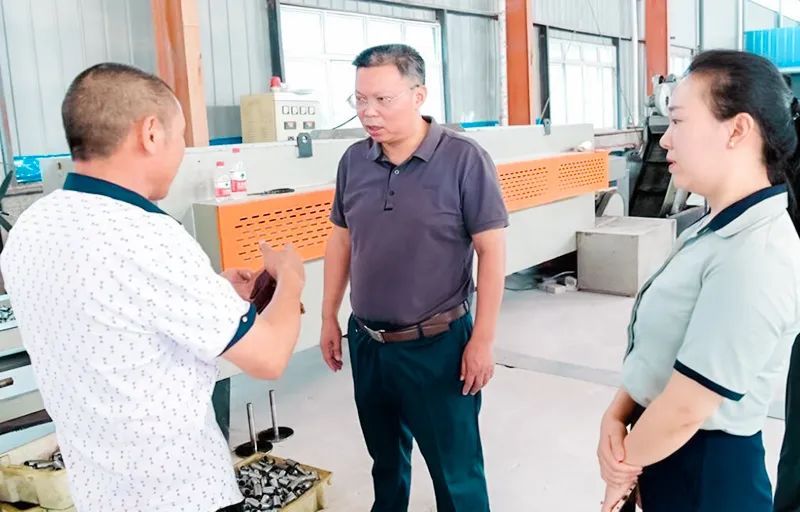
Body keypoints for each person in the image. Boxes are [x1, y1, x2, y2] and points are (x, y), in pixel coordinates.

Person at [0, 63, 306, 512]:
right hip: (180, 494)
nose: (182, 151)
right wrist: (292, 281)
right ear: (150, 133)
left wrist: (211, 292)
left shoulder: (33, 226)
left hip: (99, 493)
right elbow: (269, 356)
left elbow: (112, 314)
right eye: (180, 136)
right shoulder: (147, 237)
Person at [597, 49, 800, 512]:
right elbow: (662, 352)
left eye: (679, 121)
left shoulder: (757, 255)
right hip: (665, 451)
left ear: (738, 130)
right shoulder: (715, 225)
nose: (665, 140)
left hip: (708, 477)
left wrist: (620, 473)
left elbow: (688, 406)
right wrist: (618, 412)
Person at [318, 44, 508, 512]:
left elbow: (492, 252)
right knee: (385, 461)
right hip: (368, 343)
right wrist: (328, 317)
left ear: (418, 95)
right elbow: (340, 241)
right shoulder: (353, 161)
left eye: (382, 100)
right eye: (360, 99)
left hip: (438, 346)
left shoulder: (464, 159)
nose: (368, 112)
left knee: (455, 472)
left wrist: (482, 340)